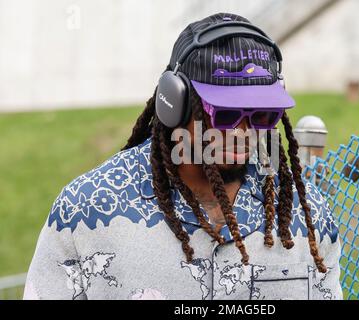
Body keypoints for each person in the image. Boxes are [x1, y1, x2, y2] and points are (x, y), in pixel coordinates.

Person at [24, 12, 342, 300]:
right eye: (226, 113)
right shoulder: (85, 211)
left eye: (261, 114)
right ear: (174, 103)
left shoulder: (308, 214)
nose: (244, 131)